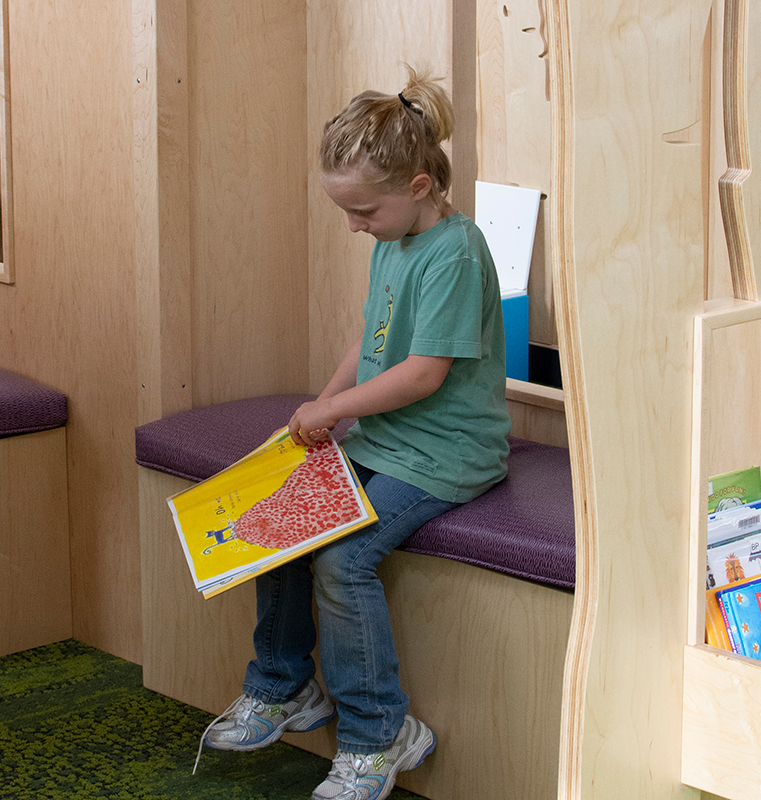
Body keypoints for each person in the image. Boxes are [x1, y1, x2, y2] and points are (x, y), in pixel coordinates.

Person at [197, 65, 511, 800]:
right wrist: (326, 400)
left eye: (363, 211)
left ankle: (379, 735)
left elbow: (424, 373)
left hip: (447, 453)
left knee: (342, 560)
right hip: (384, 438)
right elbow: (372, 345)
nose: (354, 226)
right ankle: (285, 687)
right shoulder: (393, 242)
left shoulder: (456, 254)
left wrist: (336, 413)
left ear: (420, 187)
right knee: (277, 523)